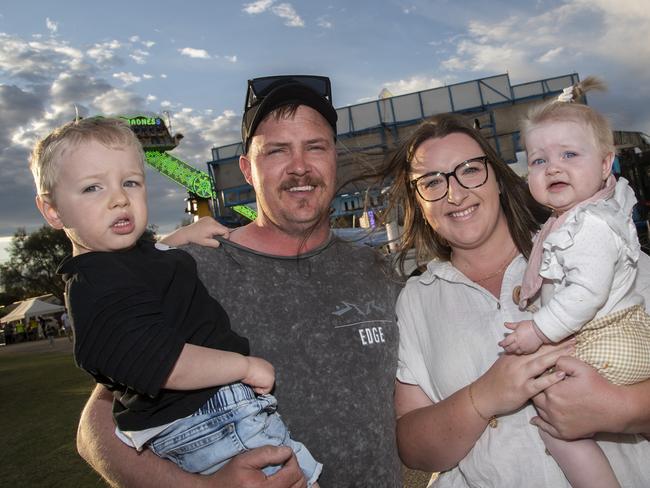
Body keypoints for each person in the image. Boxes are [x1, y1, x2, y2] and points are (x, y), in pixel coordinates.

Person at [74, 75, 402, 487]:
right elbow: (95, 431)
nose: (300, 166)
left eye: (315, 147)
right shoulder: (193, 271)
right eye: (277, 150)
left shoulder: (376, 270)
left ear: (335, 157)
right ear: (247, 169)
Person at [30, 116, 322, 486]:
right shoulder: (94, 285)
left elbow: (144, 263)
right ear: (52, 210)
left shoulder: (119, 263)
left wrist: (178, 237)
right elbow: (165, 363)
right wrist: (244, 367)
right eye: (92, 188)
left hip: (218, 417)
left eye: (130, 182)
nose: (119, 198)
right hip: (210, 422)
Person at [386, 113, 650, 487]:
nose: (455, 193)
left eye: (470, 170)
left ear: (498, 178)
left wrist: (619, 410)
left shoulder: (593, 247)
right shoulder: (416, 300)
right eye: (431, 182)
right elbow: (414, 448)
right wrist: (482, 398)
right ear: (418, 203)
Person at [498, 77, 650, 488]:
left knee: (552, 415)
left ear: (605, 164)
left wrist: (538, 330)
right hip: (609, 338)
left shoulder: (591, 225)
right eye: (539, 160)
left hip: (610, 339)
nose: (554, 167)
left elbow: (586, 293)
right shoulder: (567, 223)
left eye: (569, 154)